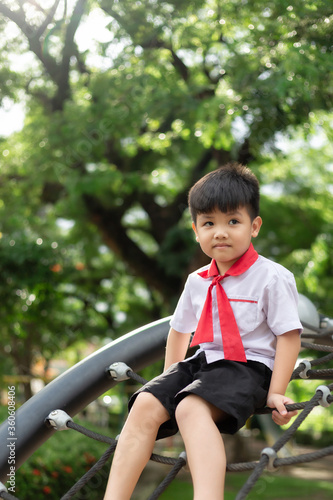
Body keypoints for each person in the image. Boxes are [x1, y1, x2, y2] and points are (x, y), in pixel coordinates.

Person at [104, 162, 302, 500]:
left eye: (233, 222)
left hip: (249, 367)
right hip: (203, 362)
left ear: (254, 226)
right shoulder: (197, 281)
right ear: (196, 230)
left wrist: (276, 392)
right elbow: (179, 331)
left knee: (189, 408)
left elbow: (288, 336)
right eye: (208, 223)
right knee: (145, 404)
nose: (220, 232)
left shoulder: (272, 277)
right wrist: (168, 379)